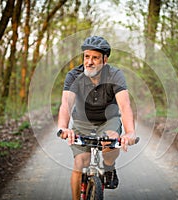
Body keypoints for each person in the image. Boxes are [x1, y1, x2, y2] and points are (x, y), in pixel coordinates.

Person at [57, 36, 136, 200]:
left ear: (104, 60)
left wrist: (129, 132)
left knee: (110, 145)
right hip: (81, 121)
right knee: (81, 161)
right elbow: (66, 103)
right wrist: (63, 127)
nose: (89, 62)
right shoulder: (74, 75)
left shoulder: (115, 75)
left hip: (108, 120)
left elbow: (125, 105)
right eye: (86, 57)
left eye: (95, 57)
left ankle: (109, 167)